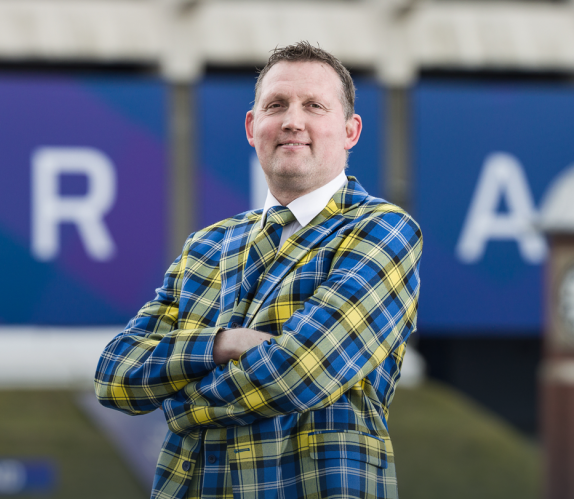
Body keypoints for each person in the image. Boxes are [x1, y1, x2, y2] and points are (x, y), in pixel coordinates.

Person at [94, 41, 422, 499]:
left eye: (314, 106)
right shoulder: (206, 247)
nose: (292, 120)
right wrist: (221, 345)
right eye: (276, 105)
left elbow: (299, 372)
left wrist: (181, 405)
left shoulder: (381, 231)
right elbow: (115, 375)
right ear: (253, 127)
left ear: (350, 131)